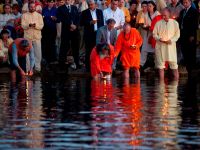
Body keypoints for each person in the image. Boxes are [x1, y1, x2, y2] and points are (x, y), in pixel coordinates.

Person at [153, 8, 180, 80]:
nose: (163, 17)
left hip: (170, 47)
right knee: (160, 67)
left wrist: (171, 40)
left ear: (169, 14)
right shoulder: (158, 23)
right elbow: (154, 34)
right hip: (160, 47)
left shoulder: (175, 23)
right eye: (162, 15)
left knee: (174, 66)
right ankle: (161, 87)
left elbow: (177, 35)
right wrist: (159, 38)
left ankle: (175, 87)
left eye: (165, 15)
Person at [80, 0, 104, 72]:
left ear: (95, 4)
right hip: (89, 34)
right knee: (89, 51)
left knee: (98, 50)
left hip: (98, 34)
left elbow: (102, 23)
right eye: (89, 5)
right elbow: (81, 23)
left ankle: (98, 67)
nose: (90, 6)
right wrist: (90, 22)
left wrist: (102, 34)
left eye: (92, 4)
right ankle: (88, 68)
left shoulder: (99, 12)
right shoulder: (84, 12)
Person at [56, 0, 80, 69]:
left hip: (75, 31)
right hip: (66, 30)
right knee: (64, 47)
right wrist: (70, 25)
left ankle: (77, 63)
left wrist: (75, 25)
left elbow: (78, 18)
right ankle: (61, 63)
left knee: (75, 47)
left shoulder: (74, 7)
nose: (68, 0)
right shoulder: (60, 8)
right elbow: (60, 18)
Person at [21, 2, 44, 73]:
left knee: (38, 54)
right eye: (31, 7)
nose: (32, 8)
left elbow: (41, 26)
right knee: (27, 54)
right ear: (28, 7)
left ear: (35, 7)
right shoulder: (24, 15)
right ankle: (28, 69)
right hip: (27, 37)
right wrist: (29, 25)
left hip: (37, 37)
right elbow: (22, 25)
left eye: (33, 7)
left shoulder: (39, 15)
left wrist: (35, 25)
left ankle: (37, 69)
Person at [178, 0, 199, 75]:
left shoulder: (194, 11)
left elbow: (195, 24)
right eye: (184, 2)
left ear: (190, 2)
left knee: (191, 51)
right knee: (184, 50)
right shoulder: (182, 11)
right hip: (182, 33)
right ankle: (187, 67)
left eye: (186, 2)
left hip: (190, 34)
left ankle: (191, 68)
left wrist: (192, 35)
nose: (185, 4)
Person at [140, 1, 160, 71]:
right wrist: (145, 26)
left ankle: (158, 65)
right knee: (144, 50)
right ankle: (141, 64)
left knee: (156, 50)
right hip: (148, 34)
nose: (148, 7)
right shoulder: (145, 14)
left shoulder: (157, 14)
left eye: (150, 6)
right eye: (148, 6)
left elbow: (159, 24)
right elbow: (143, 24)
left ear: (154, 6)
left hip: (155, 35)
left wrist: (152, 27)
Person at [42, 0, 57, 64]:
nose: (51, 3)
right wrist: (50, 17)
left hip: (53, 28)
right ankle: (46, 58)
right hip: (45, 28)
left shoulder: (56, 9)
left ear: (53, 3)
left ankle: (52, 58)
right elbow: (42, 17)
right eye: (50, 2)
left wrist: (49, 17)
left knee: (52, 43)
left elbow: (57, 19)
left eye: (52, 2)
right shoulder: (44, 9)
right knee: (45, 43)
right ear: (47, 3)